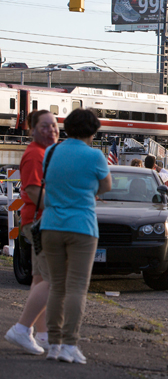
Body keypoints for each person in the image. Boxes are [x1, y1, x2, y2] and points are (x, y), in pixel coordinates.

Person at [41, 108, 112, 364]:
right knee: (77, 288)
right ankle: (70, 345)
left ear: (67, 128)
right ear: (93, 131)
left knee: (56, 286)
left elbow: (47, 181)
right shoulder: (95, 156)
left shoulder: (51, 152)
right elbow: (107, 186)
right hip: (82, 226)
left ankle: (53, 344)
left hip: (50, 225)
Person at [4, 110, 58, 355]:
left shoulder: (43, 153)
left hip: (38, 221)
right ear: (32, 129)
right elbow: (34, 192)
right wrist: (66, 205)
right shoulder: (35, 155)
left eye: (54, 125)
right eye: (45, 126)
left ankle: (43, 334)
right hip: (40, 221)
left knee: (40, 279)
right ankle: (22, 328)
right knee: (51, 279)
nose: (51, 130)